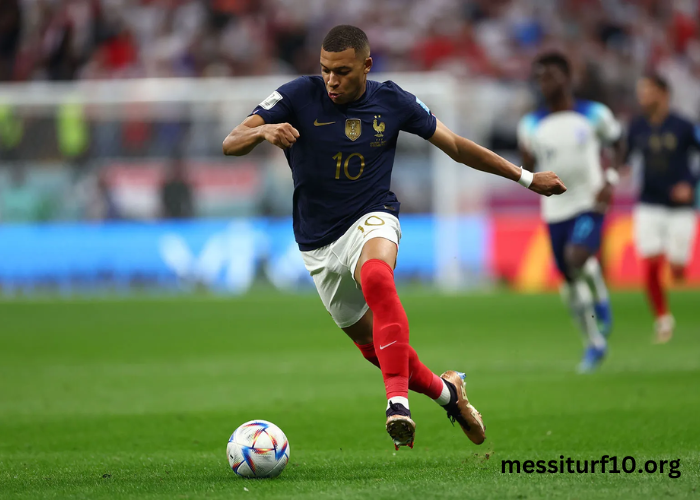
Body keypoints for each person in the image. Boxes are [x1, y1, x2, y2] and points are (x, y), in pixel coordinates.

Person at [223, 25, 565, 449]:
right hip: (317, 243)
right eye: (326, 70)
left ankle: (396, 404)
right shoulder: (296, 95)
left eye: (343, 72)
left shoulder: (393, 101)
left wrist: (528, 178)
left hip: (372, 216)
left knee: (377, 277)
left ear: (367, 65)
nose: (331, 80)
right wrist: (263, 132)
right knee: (376, 349)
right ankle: (449, 394)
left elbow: (455, 145)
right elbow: (230, 140)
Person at [518, 52, 624, 373]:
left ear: (567, 78)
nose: (544, 82)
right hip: (554, 209)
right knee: (568, 279)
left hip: (589, 201)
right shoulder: (531, 124)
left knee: (577, 257)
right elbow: (531, 165)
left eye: (550, 75)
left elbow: (618, 144)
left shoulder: (594, 114)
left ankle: (601, 298)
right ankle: (593, 343)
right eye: (539, 77)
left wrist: (610, 179)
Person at [626, 74, 700, 343]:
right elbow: (625, 157)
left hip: (680, 207)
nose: (642, 96)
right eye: (640, 91)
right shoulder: (636, 127)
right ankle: (663, 319)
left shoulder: (683, 126)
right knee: (651, 263)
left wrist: (690, 184)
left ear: (662, 93)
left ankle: (679, 267)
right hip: (649, 204)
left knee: (678, 265)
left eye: (647, 90)